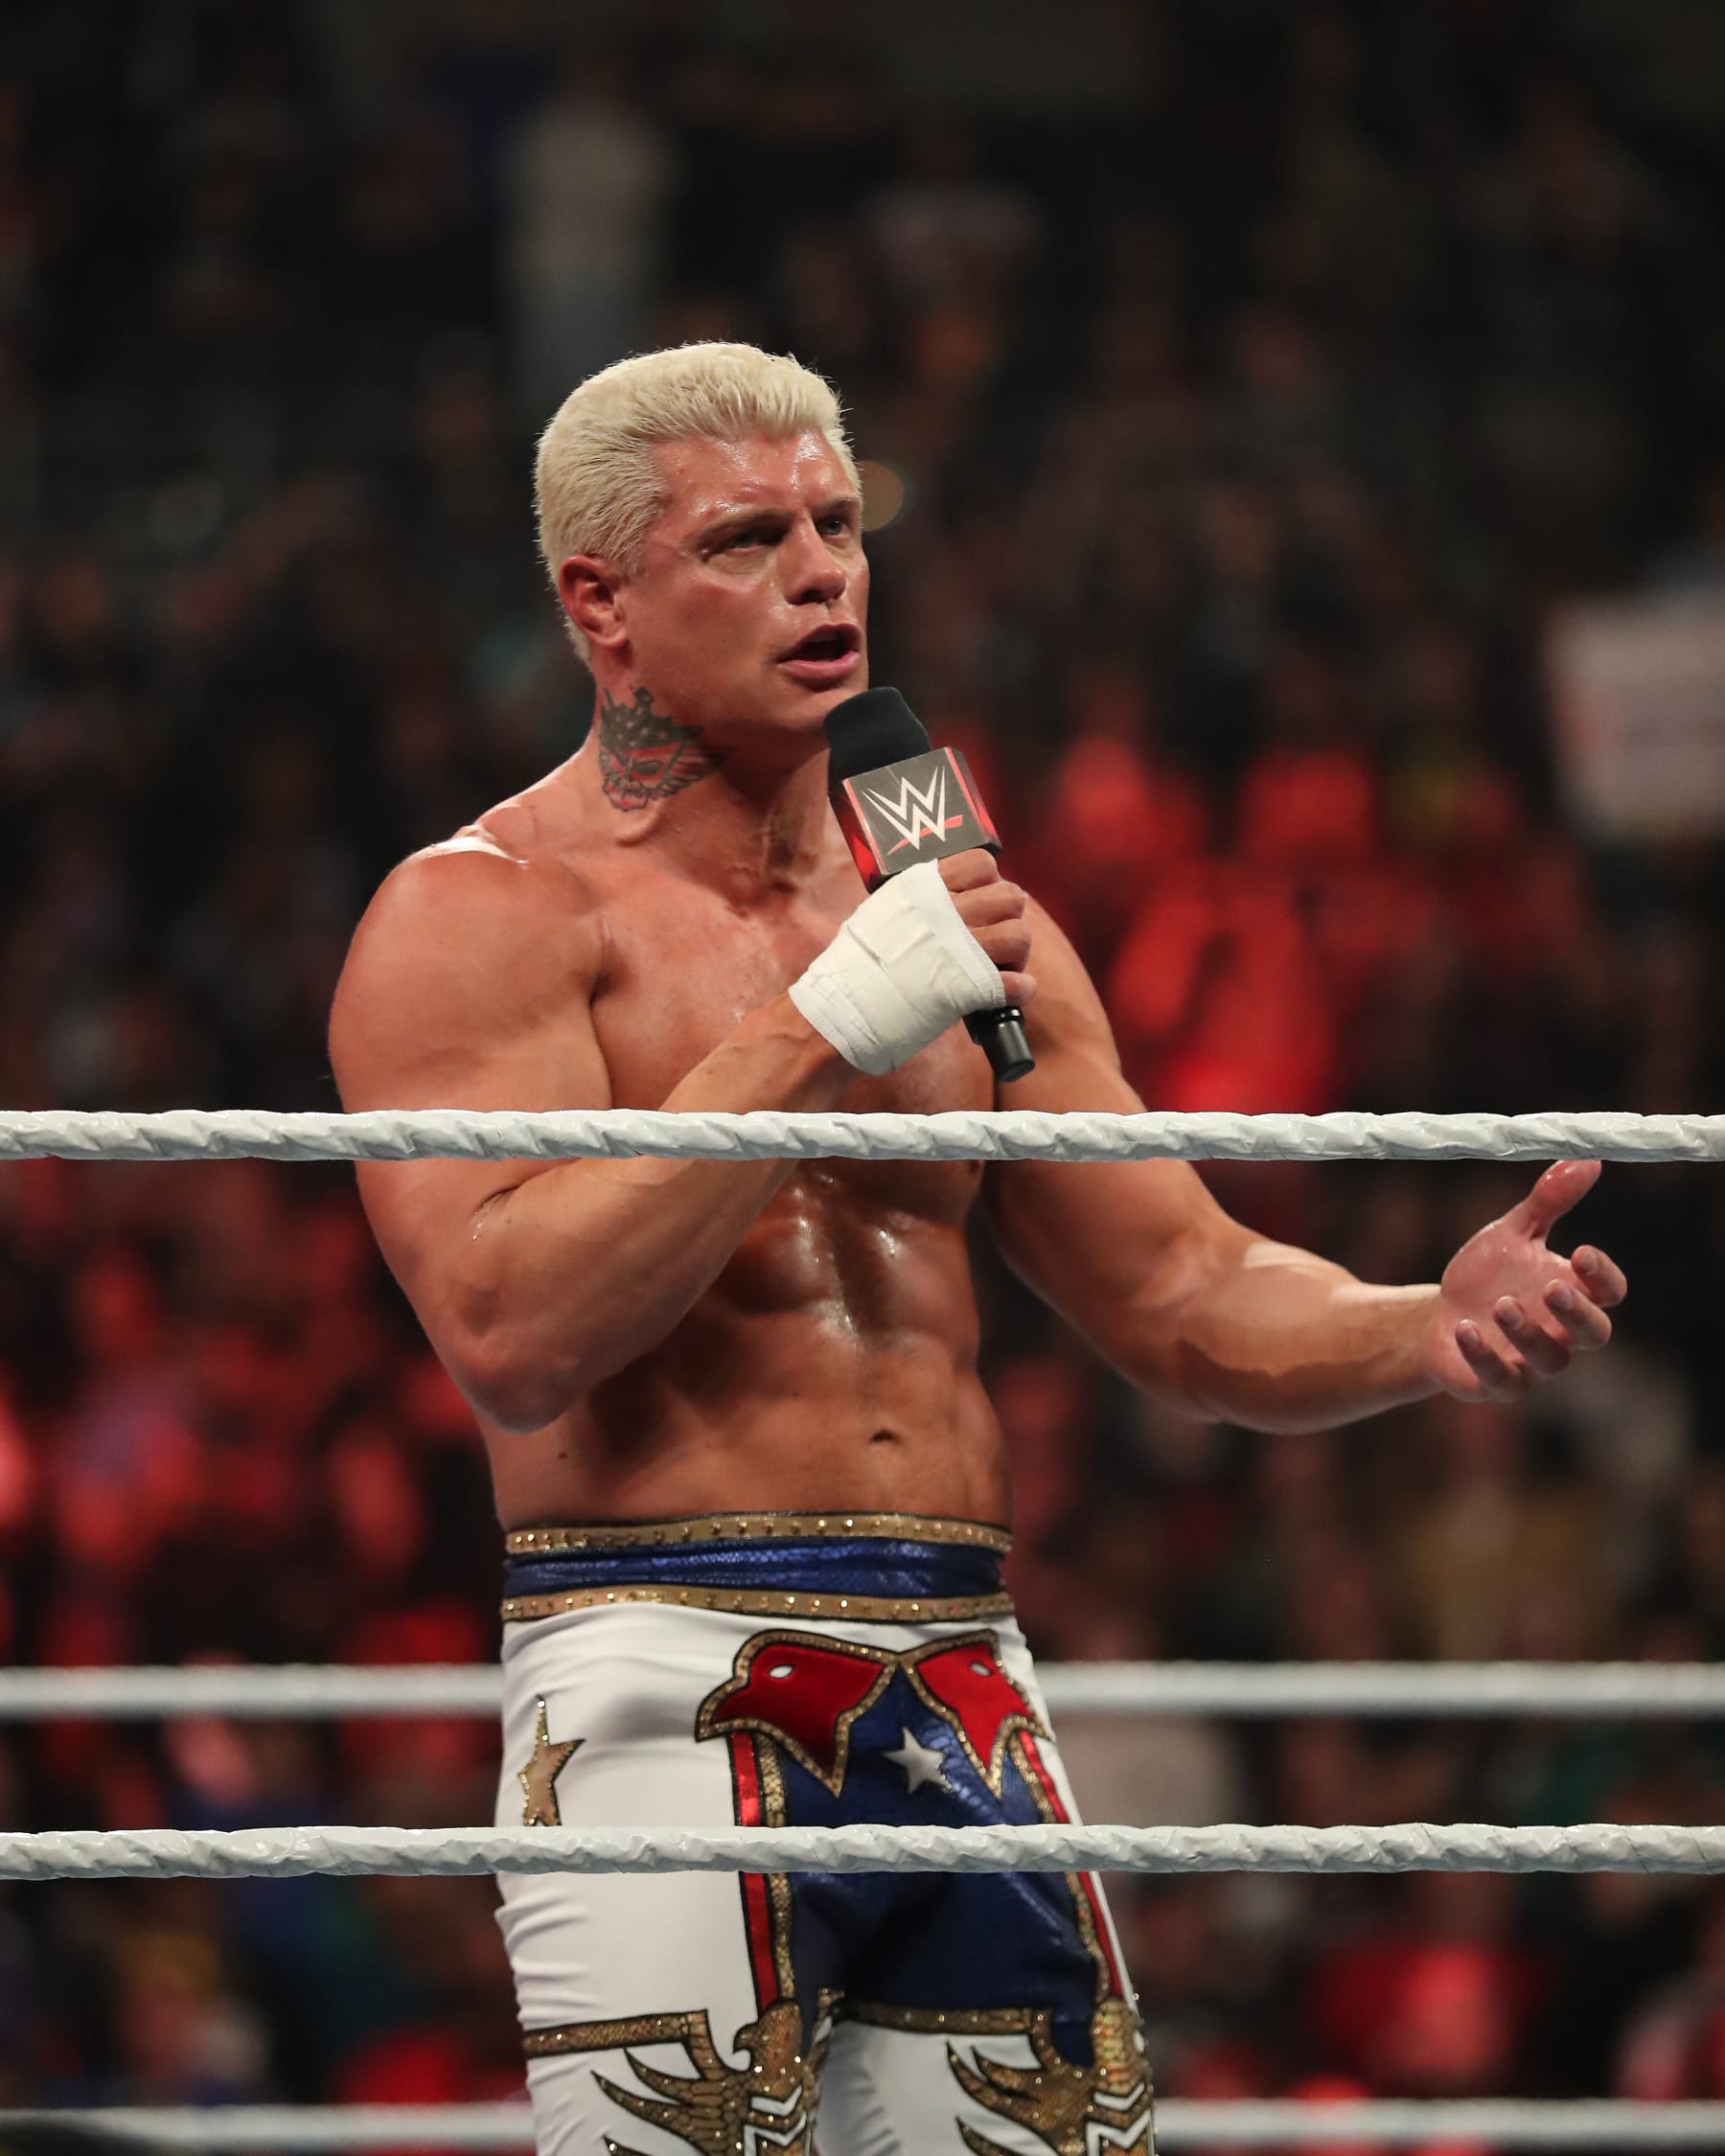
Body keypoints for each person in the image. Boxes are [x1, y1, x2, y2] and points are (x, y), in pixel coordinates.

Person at [328, 343, 1626, 2156]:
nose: (821, 573)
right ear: (599, 602)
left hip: (964, 1670)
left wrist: (1424, 1323)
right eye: (747, 540)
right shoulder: (479, 914)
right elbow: (512, 1328)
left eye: (838, 526)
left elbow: (1176, 1286)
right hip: (659, 1660)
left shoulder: (945, 885)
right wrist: (815, 1027)